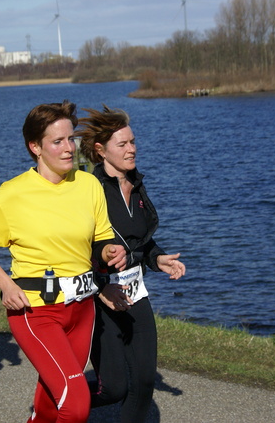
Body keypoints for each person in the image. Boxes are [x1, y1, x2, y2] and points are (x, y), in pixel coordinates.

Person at [0, 100, 127, 423]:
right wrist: (5, 284)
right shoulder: (12, 194)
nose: (69, 148)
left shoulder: (88, 184)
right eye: (58, 142)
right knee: (77, 403)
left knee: (53, 404)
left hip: (82, 310)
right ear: (35, 147)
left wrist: (110, 252)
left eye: (71, 139)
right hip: (36, 311)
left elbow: (102, 240)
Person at [78, 105, 186, 423]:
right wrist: (102, 271)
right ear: (101, 150)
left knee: (142, 384)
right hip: (100, 297)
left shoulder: (136, 184)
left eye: (133, 142)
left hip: (134, 293)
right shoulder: (89, 190)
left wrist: (157, 258)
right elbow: (73, 250)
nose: (132, 149)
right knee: (113, 389)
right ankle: (57, 401)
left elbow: (137, 240)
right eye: (122, 144)